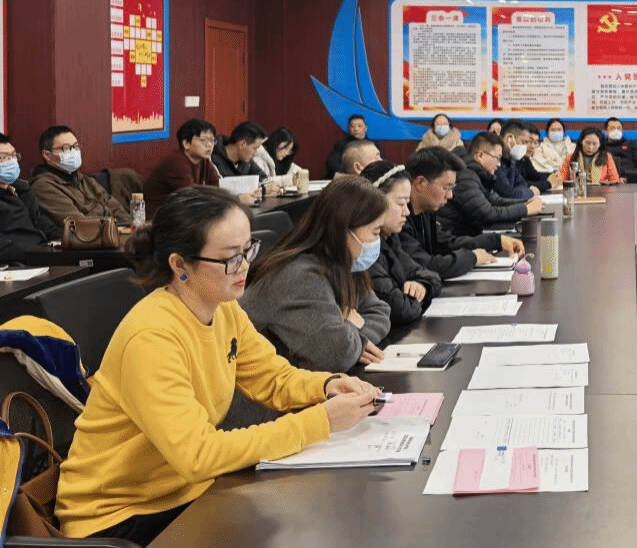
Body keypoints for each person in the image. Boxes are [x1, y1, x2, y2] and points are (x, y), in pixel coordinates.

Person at [55, 186, 378, 545]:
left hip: (184, 490)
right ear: (180, 265)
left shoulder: (223, 307)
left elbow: (272, 377)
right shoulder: (152, 336)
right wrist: (320, 421)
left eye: (247, 251)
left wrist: (327, 385)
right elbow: (198, 454)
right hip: (118, 516)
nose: (244, 267)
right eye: (230, 258)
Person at [240, 177, 392, 372]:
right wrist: (352, 330)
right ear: (344, 230)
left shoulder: (344, 264)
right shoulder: (299, 276)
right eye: (375, 232)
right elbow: (336, 354)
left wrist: (351, 332)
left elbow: (380, 311)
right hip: (266, 387)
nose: (378, 241)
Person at [402, 146, 524, 280]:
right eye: (446, 187)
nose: (450, 195)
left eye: (452, 188)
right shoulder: (399, 218)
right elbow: (426, 265)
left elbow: (448, 244)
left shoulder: (426, 211)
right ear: (420, 183)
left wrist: (497, 241)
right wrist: (473, 257)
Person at [360, 161, 442, 326]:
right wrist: (417, 298)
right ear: (375, 202)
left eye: (407, 203)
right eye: (400, 203)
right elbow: (401, 309)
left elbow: (430, 275)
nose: (407, 212)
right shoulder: (363, 248)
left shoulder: (390, 238)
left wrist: (422, 286)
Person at [436, 133, 544, 237]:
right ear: (480, 155)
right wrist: (525, 209)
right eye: (497, 158)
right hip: (455, 238)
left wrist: (526, 203)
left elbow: (496, 201)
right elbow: (487, 213)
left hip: (469, 234)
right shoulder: (466, 176)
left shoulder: (479, 174)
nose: (499, 164)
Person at [30, 125, 131, 226]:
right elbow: (80, 225)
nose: (74, 152)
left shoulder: (81, 178)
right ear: (47, 155)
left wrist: (129, 226)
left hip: (111, 231)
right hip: (88, 235)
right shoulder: (43, 187)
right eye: (66, 148)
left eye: (76, 146)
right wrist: (103, 209)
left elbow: (116, 208)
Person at [0, 134, 61, 262]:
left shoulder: (22, 189)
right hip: (20, 261)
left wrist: (65, 239)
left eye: (13, 156)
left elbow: (39, 220)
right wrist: (38, 252)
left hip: (43, 251)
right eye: (4, 158)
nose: (11, 161)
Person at [142, 118, 221, 215]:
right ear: (186, 144)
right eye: (203, 140)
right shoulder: (176, 162)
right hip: (160, 215)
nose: (209, 145)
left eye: (212, 140)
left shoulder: (205, 161)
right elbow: (190, 196)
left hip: (184, 212)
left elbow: (216, 191)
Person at [212, 122, 279, 196]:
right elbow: (229, 190)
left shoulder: (246, 160)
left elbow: (264, 179)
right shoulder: (215, 159)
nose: (255, 153)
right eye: (254, 148)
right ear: (242, 144)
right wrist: (263, 190)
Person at [493, 120, 543, 199]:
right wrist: (531, 192)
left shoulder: (511, 159)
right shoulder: (494, 159)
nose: (526, 147)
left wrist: (525, 191)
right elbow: (509, 194)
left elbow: (522, 184)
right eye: (524, 142)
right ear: (509, 138)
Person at [558, 127, 622, 185]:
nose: (590, 147)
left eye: (595, 144)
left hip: (601, 192)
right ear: (581, 142)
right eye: (587, 143)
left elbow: (615, 181)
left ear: (600, 144)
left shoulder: (607, 157)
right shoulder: (571, 157)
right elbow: (561, 178)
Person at [324, 115, 378, 179]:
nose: (356, 129)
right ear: (349, 128)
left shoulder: (372, 145)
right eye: (352, 126)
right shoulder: (342, 145)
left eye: (359, 126)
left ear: (365, 128)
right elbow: (332, 164)